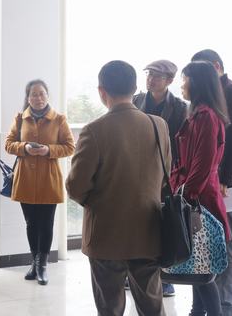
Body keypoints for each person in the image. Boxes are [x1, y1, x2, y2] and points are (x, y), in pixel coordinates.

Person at [66, 60, 168, 316]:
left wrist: (99, 201)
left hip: (105, 234)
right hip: (149, 230)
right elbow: (165, 175)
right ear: (134, 88)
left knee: (109, 307)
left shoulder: (94, 130)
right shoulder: (158, 126)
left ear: (102, 91)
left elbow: (76, 187)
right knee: (152, 306)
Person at [191, 49, 232, 316]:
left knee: (226, 241)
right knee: (206, 241)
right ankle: (205, 304)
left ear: (216, 66)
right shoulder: (206, 97)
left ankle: (226, 305)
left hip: (227, 182)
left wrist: (226, 179)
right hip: (209, 183)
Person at [171, 60, 231, 316]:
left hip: (200, 201)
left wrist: (185, 196)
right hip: (197, 197)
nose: (182, 84)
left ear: (197, 83)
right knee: (199, 264)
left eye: (185, 79)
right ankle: (196, 311)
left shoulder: (205, 117)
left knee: (203, 271)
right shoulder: (199, 114)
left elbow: (202, 164)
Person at [5, 79, 75, 285]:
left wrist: (48, 150)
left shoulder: (59, 119)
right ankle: (34, 262)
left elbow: (70, 147)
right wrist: (24, 148)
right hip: (25, 179)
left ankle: (42, 265)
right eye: (34, 94)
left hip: (49, 180)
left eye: (42, 93)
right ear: (28, 98)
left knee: (46, 223)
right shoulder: (20, 118)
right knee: (31, 223)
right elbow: (8, 144)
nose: (38, 98)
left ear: (47, 95)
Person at [132, 59, 187, 297]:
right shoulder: (136, 101)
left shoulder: (180, 107)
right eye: (149, 74)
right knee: (137, 223)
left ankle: (165, 278)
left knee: (164, 224)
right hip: (137, 170)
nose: (151, 79)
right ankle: (134, 274)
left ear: (170, 81)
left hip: (166, 173)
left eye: (157, 76)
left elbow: (179, 143)